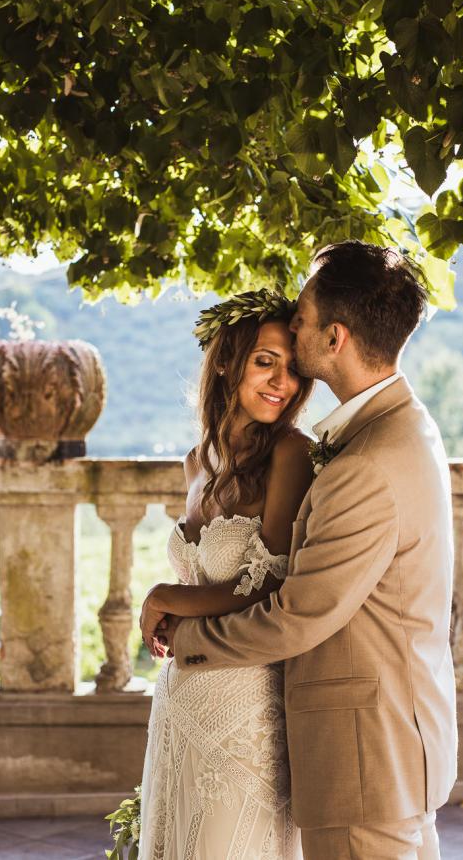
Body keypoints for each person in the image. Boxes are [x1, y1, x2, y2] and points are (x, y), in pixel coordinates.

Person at [147, 241, 457, 860]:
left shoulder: (364, 461)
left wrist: (183, 637)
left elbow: (296, 612)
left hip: (365, 754)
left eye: (304, 320)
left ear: (334, 337)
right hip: (384, 745)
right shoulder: (394, 429)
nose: (295, 326)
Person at [136, 290, 316, 859]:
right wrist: (174, 602)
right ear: (226, 361)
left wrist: (165, 596)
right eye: (266, 361)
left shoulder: (292, 452)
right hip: (181, 696)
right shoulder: (197, 461)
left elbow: (266, 582)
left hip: (246, 701)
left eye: (292, 370)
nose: (281, 383)